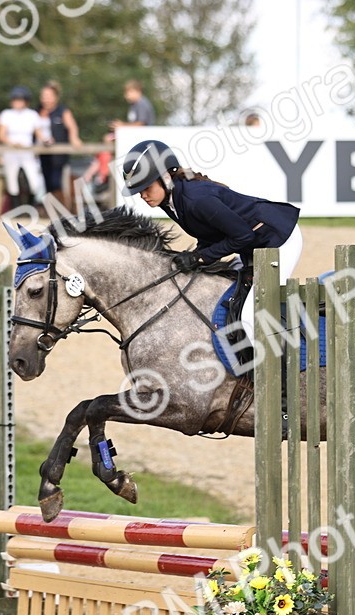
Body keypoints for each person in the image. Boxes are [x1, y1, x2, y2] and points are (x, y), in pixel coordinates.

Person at [123, 139, 303, 433]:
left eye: (146, 187)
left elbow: (242, 235)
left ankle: (284, 404)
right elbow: (212, 233)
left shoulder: (195, 198)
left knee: (249, 315)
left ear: (166, 177)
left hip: (278, 240)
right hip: (253, 244)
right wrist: (192, 256)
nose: (143, 195)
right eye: (138, 191)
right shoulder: (172, 201)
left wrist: (200, 256)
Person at [0, 86, 46, 209]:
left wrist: (46, 140)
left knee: (34, 181)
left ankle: (31, 208)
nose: (17, 102)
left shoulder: (32, 115)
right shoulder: (6, 114)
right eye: (15, 99)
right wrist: (12, 143)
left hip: (28, 151)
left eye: (20, 99)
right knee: (12, 182)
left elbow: (39, 133)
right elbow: (1, 135)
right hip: (11, 150)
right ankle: (16, 210)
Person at [37, 81, 82, 204]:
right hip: (44, 155)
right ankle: (51, 209)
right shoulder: (37, 111)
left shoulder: (62, 111)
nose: (46, 99)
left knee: (58, 183)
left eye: (48, 96)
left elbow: (72, 126)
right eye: (44, 96)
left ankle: (61, 208)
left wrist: (74, 138)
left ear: (56, 97)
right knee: (47, 183)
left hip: (59, 157)